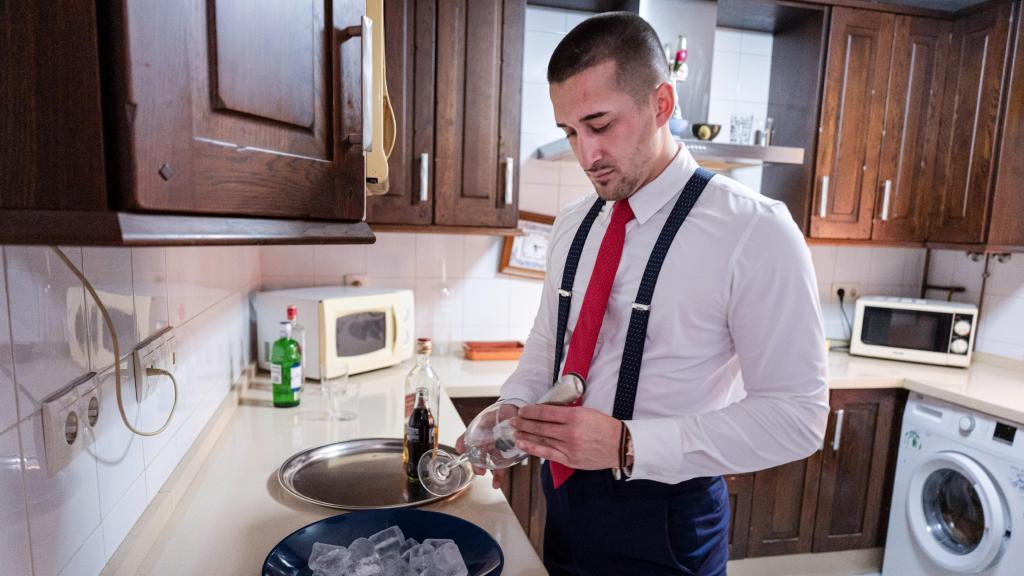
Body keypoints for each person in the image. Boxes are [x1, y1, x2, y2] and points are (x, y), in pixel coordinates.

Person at [459, 11, 829, 576]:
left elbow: (798, 418)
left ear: (661, 103)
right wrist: (512, 405)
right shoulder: (572, 225)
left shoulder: (755, 231)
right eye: (570, 132)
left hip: (669, 519)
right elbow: (548, 342)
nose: (586, 155)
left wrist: (627, 445)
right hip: (564, 503)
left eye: (600, 124)